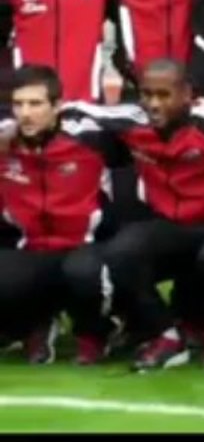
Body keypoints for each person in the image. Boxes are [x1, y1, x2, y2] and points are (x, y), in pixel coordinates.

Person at [62, 59, 204, 371]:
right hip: (167, 226)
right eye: (146, 94)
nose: (153, 104)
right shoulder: (133, 121)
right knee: (122, 250)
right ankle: (166, 333)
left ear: (187, 93)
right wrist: (10, 129)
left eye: (164, 95)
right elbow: (73, 109)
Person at [0, 65, 120, 364]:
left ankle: (95, 333)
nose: (25, 113)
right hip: (32, 248)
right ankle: (35, 325)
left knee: (83, 273)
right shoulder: (5, 143)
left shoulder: (90, 135)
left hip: (87, 246)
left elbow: (145, 115)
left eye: (36, 104)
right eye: (19, 104)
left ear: (57, 106)